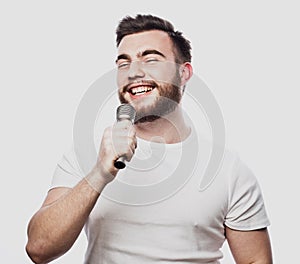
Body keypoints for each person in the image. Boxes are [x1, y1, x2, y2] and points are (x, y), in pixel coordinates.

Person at [26, 14, 273, 264]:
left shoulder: (228, 170)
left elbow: (256, 260)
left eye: (151, 59)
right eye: (124, 63)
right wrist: (100, 173)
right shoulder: (86, 154)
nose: (134, 72)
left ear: (184, 72)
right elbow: (39, 248)